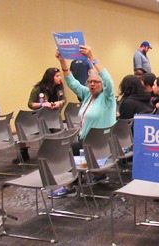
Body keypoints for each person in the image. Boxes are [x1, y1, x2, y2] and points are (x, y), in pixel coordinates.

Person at [51, 45, 116, 198]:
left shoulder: (108, 99)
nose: (92, 84)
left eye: (96, 82)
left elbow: (108, 79)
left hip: (98, 144)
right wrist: (63, 63)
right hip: (88, 141)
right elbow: (72, 83)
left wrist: (92, 58)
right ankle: (98, 174)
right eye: (90, 82)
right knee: (75, 146)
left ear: (103, 85)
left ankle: (69, 187)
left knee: (66, 150)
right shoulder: (87, 94)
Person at [12, 67, 67, 163]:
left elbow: (64, 99)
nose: (60, 78)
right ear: (50, 77)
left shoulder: (59, 88)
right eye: (57, 76)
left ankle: (52, 150)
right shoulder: (38, 89)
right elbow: (30, 104)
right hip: (39, 117)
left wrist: (59, 103)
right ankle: (23, 152)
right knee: (21, 126)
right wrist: (43, 104)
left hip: (52, 118)